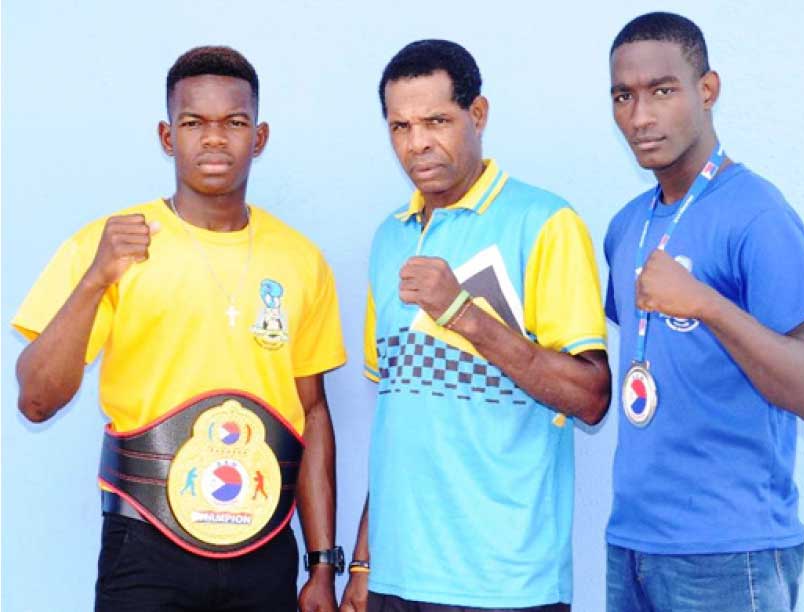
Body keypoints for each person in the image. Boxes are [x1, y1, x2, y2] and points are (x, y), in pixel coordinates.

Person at [13, 46, 347, 611]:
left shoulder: (300, 260)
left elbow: (312, 411)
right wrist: (97, 278)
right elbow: (37, 401)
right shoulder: (110, 242)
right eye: (194, 123)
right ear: (168, 137)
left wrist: (320, 563)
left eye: (234, 123)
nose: (214, 139)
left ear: (259, 137)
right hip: (145, 546)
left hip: (266, 551)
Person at [340, 39, 611, 612]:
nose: (417, 143)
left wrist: (464, 314)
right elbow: (401, 420)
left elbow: (591, 397)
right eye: (400, 126)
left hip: (503, 583)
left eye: (436, 120)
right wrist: (363, 563)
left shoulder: (544, 223)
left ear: (478, 114)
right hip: (396, 578)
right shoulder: (390, 238)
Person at [603, 12, 804, 612]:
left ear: (706, 91)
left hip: (730, 552)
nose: (640, 116)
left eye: (662, 91)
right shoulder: (627, 225)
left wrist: (706, 304)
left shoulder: (757, 214)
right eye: (623, 96)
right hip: (632, 543)